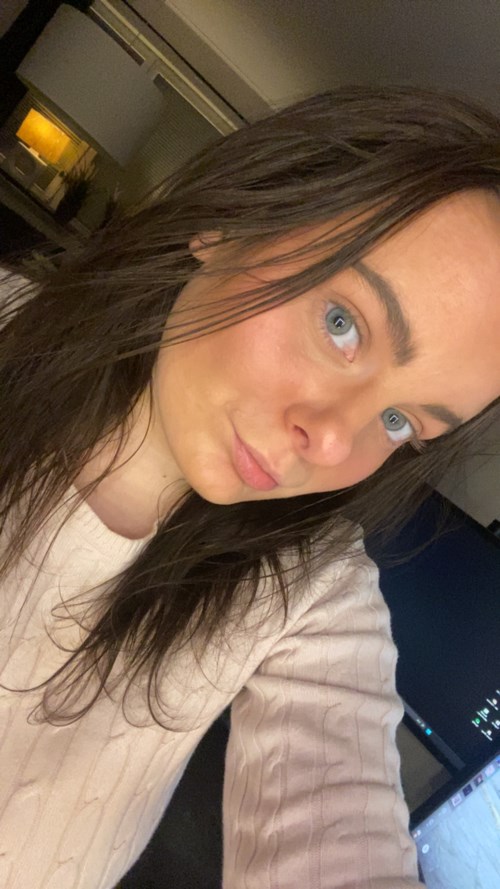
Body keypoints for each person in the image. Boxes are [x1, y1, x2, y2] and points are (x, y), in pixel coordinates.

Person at [0, 84, 499, 889]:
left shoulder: (308, 594)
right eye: (343, 325)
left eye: (400, 420)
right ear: (229, 220)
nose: (333, 440)